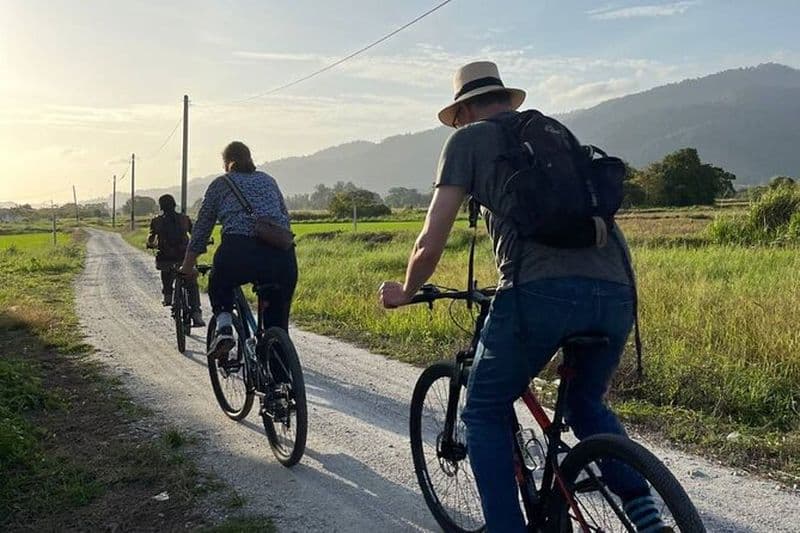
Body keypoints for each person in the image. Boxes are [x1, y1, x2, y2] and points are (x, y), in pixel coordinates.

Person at [379, 62, 669, 532]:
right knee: (585, 404)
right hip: (616, 288)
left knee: (484, 410)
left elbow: (429, 242)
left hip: (538, 292)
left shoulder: (467, 141)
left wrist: (404, 291)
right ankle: (645, 512)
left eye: (457, 118)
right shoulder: (550, 133)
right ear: (504, 99)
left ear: (463, 110)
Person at [180, 141, 297, 362]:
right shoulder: (268, 180)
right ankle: (280, 390)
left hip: (239, 250)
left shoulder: (221, 184)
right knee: (277, 324)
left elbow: (203, 227)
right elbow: (284, 218)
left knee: (219, 281)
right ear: (250, 158)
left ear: (226, 164)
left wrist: (188, 265)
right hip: (282, 254)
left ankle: (224, 328)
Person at [147, 194, 204, 327]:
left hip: (165, 258)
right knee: (192, 284)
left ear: (161, 207)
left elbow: (151, 237)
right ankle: (196, 313)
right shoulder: (185, 219)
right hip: (185, 257)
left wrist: (150, 243)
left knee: (166, 272)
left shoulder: (157, 221)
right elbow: (195, 234)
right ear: (174, 204)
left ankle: (167, 295)